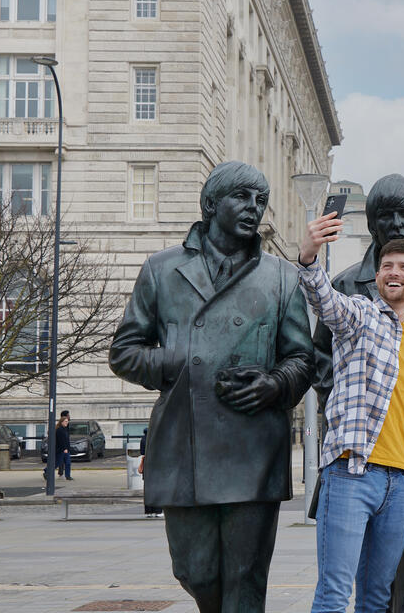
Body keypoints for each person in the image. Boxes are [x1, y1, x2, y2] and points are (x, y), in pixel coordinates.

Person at [108, 161, 317, 613]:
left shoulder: (281, 277)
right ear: (209, 204)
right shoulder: (161, 270)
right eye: (242, 197)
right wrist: (182, 360)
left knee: (245, 580)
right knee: (194, 570)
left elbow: (303, 358)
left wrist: (274, 383)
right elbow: (124, 353)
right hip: (184, 444)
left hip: (254, 445)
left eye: (260, 200)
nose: (253, 208)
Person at [308, 174, 404, 613]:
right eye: (386, 216)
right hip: (363, 456)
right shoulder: (348, 288)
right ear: (373, 226)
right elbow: (321, 356)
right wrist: (346, 401)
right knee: (361, 585)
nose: (396, 223)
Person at [53, 415, 74, 481]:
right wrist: (64, 448)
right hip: (61, 450)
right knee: (57, 463)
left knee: (68, 463)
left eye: (67, 421)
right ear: (61, 422)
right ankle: (46, 471)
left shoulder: (65, 429)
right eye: (65, 421)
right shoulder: (59, 430)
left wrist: (68, 448)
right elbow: (61, 441)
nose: (66, 423)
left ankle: (68, 476)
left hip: (66, 449)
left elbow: (66, 440)